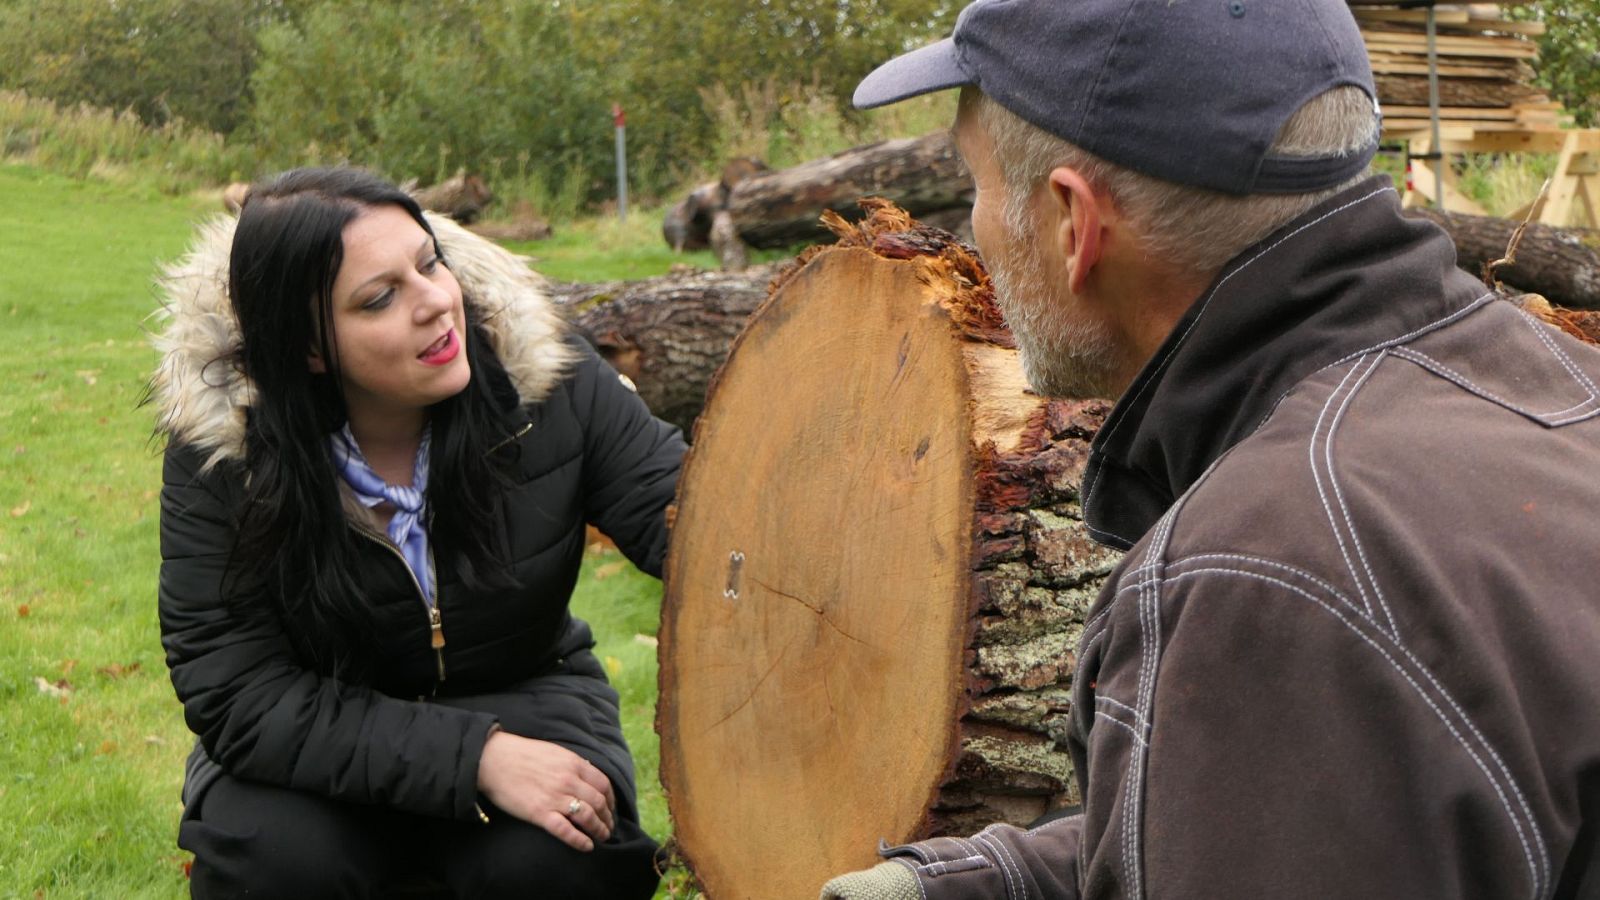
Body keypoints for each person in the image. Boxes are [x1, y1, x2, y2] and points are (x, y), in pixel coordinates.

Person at [821, 1, 1600, 897]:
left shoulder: (1263, 573)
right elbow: (1341, 826)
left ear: (1074, 225)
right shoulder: (1559, 388)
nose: (973, 228)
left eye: (980, 185)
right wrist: (969, 884)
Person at [151, 167, 685, 898]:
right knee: (280, 865)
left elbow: (694, 525)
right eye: (380, 298)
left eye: (430, 263)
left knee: (555, 865)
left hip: (523, 694)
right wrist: (475, 760)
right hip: (314, 745)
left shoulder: (549, 384)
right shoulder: (224, 451)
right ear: (308, 348)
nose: (437, 302)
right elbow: (237, 692)